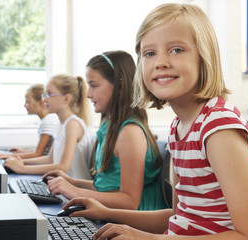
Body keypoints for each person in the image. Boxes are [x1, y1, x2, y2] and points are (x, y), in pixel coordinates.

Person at [63, 3, 248, 240]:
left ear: (204, 57)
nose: (160, 62)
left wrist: (149, 239)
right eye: (149, 53)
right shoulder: (179, 128)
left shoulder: (218, 128)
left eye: (177, 50)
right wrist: (108, 213)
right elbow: (180, 217)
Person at [43, 50, 166, 211]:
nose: (88, 94)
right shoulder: (110, 127)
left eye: (94, 85)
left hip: (132, 220)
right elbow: (108, 187)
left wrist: (76, 192)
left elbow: (129, 201)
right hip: (114, 213)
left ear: (119, 85)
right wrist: (72, 182)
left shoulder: (130, 132)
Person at [3, 74, 94, 180]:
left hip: (74, 190)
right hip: (61, 185)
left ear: (66, 98)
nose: (44, 100)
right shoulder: (61, 124)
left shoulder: (72, 125)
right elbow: (49, 160)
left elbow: (63, 167)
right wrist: (19, 161)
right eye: (44, 95)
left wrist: (22, 169)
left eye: (49, 94)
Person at [0, 84, 59, 160]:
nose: (25, 105)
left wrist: (4, 156)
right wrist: (23, 152)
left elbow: (38, 154)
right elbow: (42, 150)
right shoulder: (48, 119)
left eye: (28, 102)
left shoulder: (47, 122)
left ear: (41, 103)